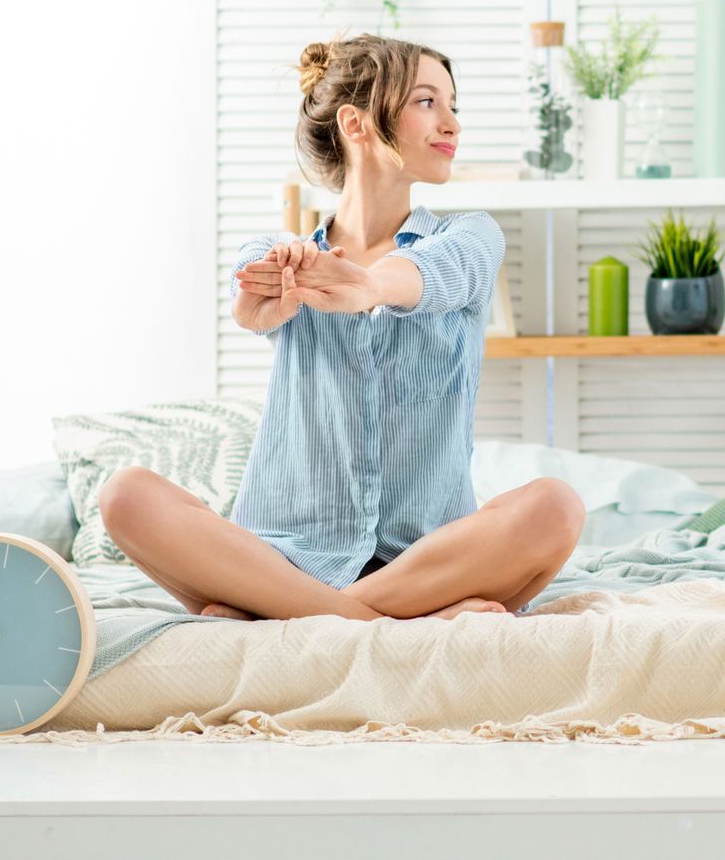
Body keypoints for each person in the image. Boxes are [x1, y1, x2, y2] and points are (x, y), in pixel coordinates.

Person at [98, 34, 585, 621]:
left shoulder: (472, 238)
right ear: (356, 123)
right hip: (283, 556)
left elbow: (434, 274)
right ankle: (396, 625)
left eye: (454, 104)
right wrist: (255, 306)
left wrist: (370, 285)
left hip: (428, 558)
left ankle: (284, 617)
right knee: (125, 494)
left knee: (555, 506)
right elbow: (246, 291)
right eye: (427, 102)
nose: (452, 122)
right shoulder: (282, 253)